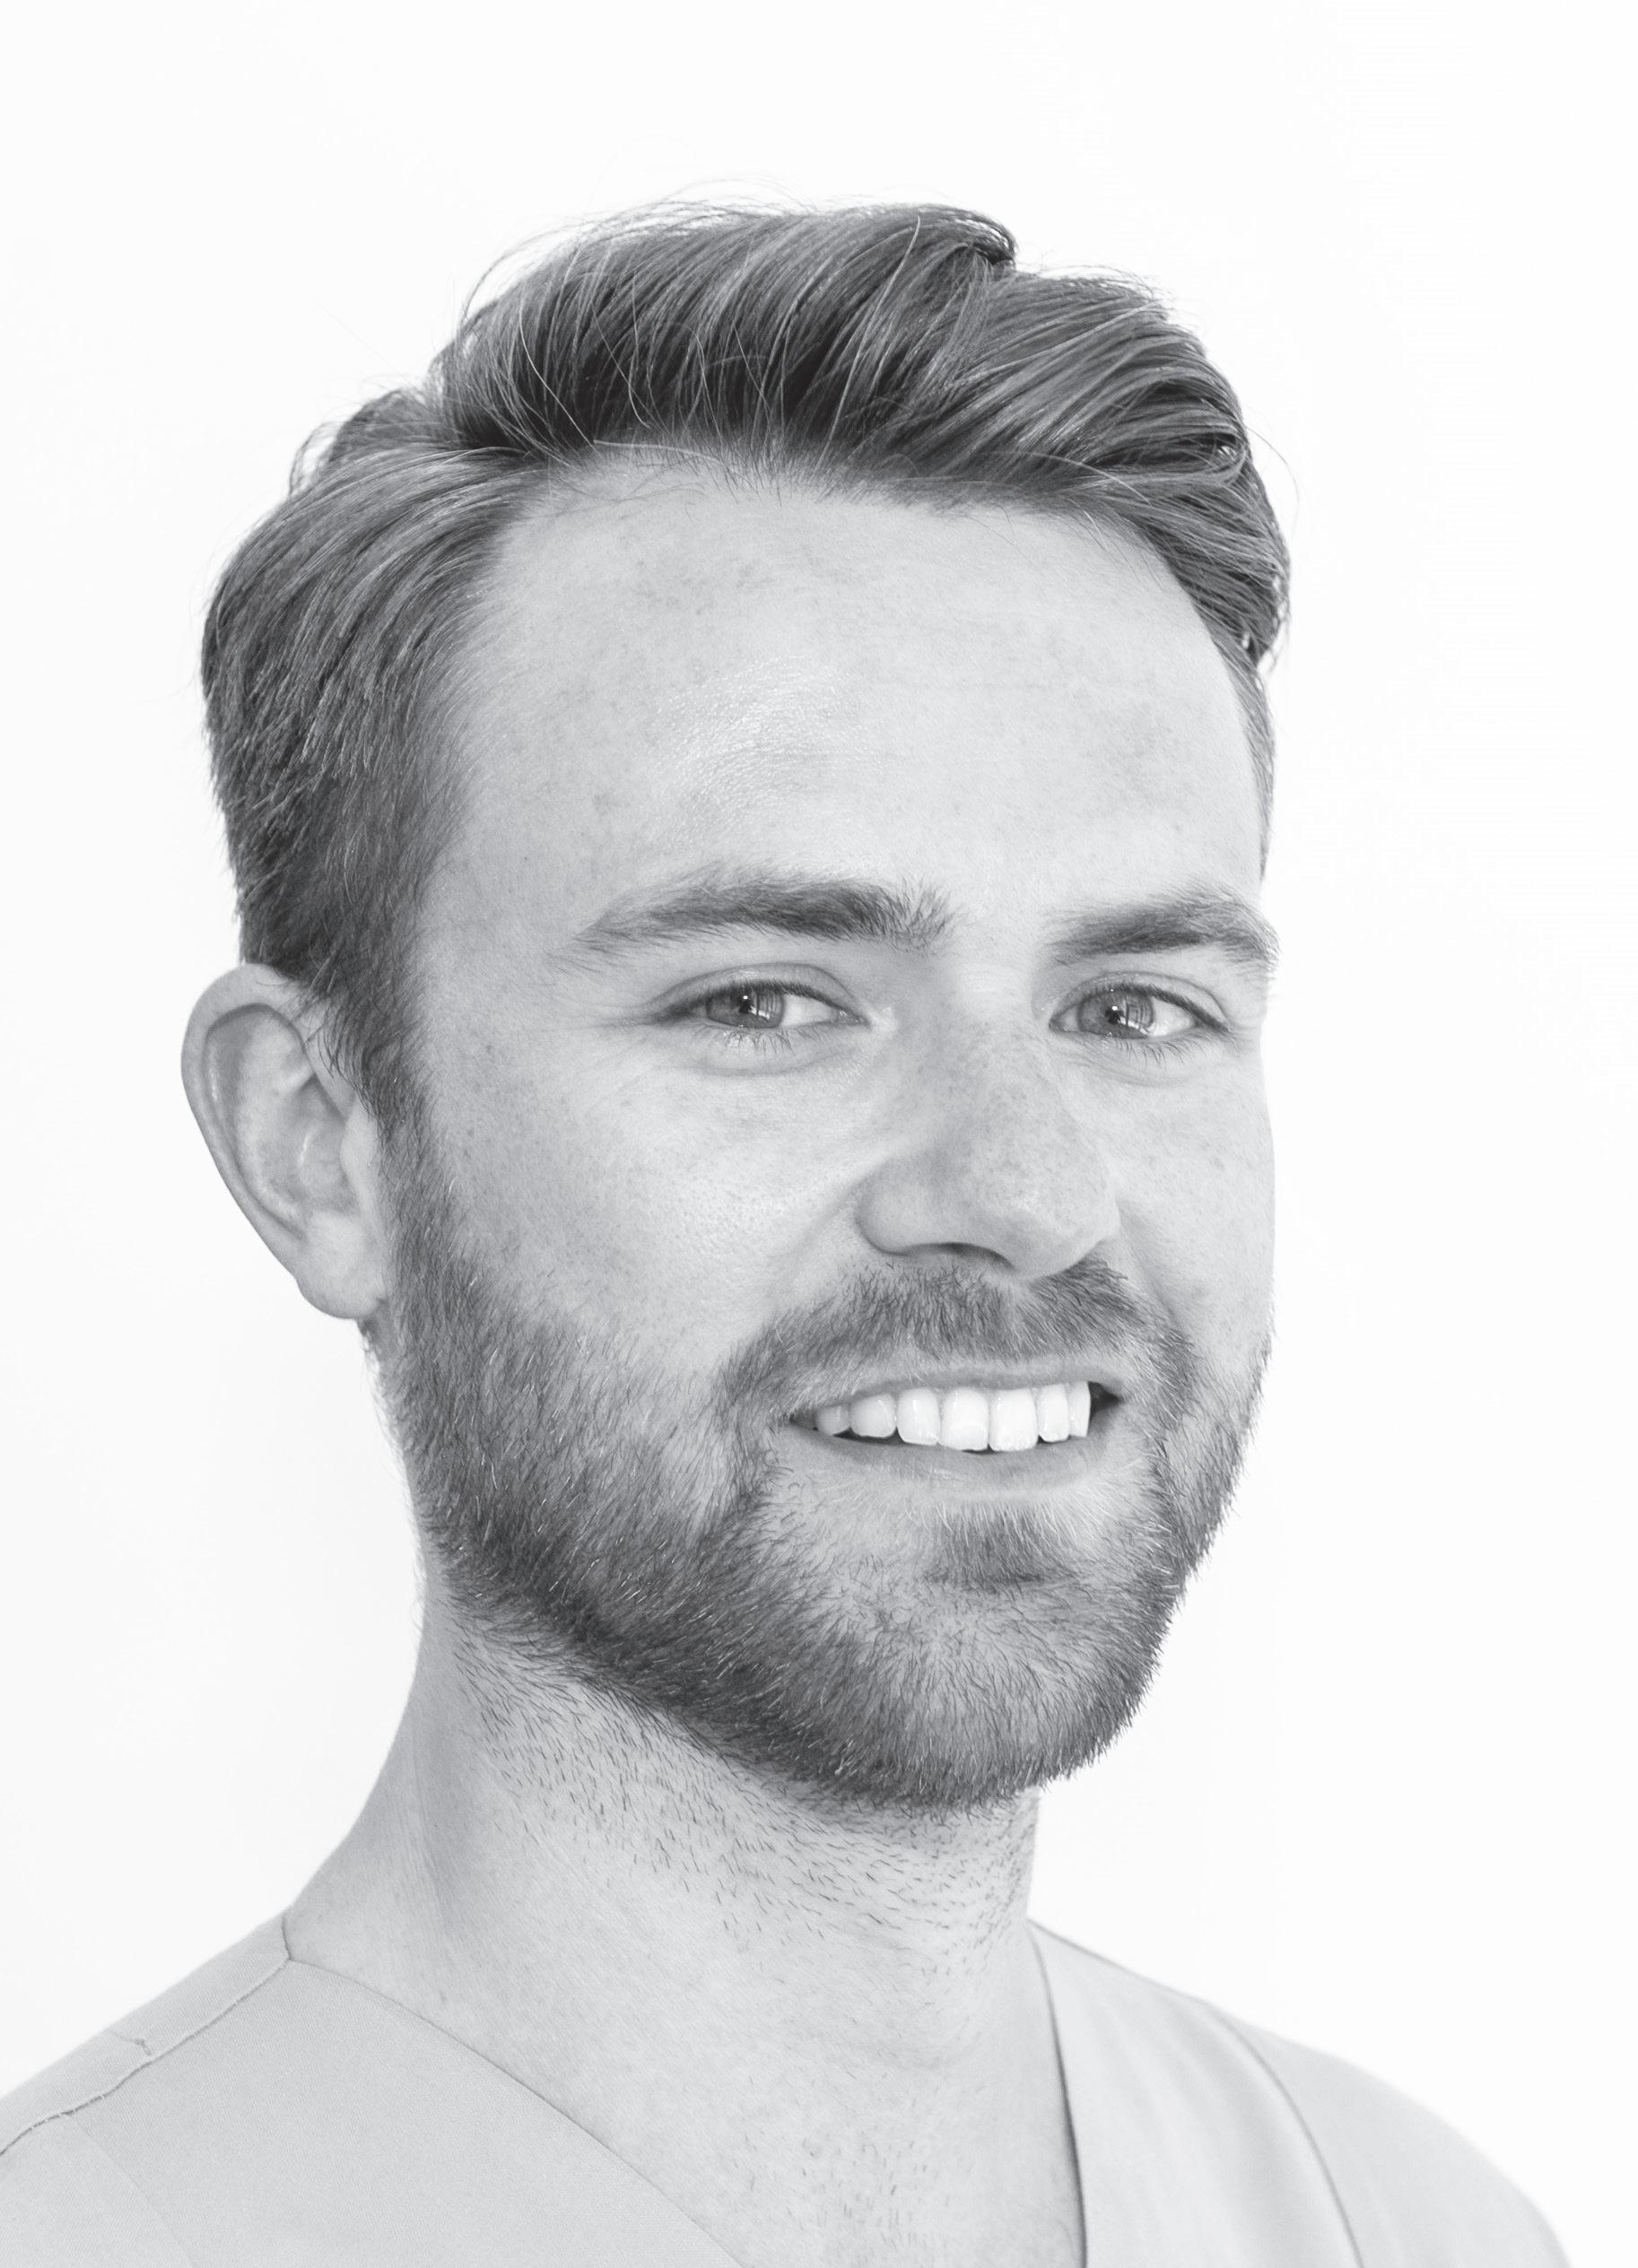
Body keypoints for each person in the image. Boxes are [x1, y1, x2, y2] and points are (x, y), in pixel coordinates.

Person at [0, 204, 1565, 2267]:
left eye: (1131, 1007)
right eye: (763, 1001)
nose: (1021, 1191)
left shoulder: (1413, 2224)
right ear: (321, 1141)